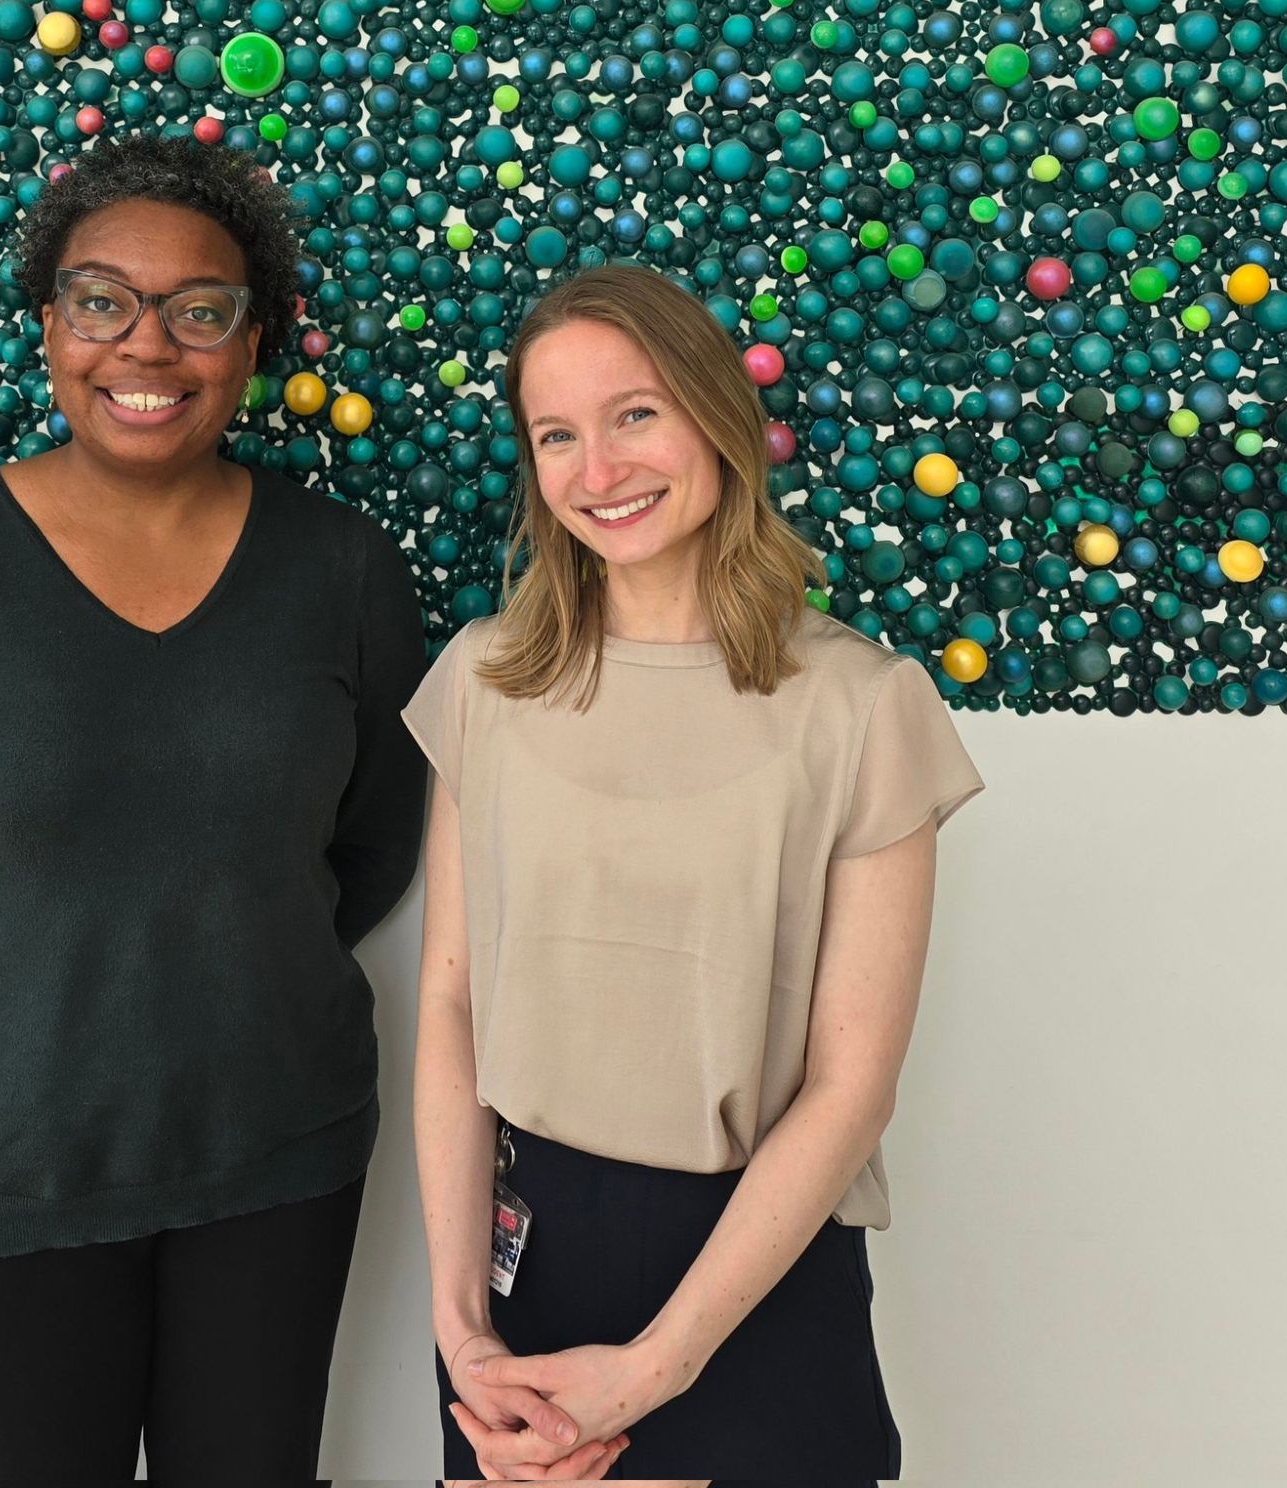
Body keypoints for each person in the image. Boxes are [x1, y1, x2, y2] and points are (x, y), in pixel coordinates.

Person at [0, 131, 430, 1483]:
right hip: (4, 1183)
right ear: (50, 325)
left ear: (256, 341)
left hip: (281, 1157)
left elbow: (378, 840)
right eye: (100, 300)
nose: (146, 347)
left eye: (200, 310)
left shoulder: (340, 568)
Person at [402, 263, 986, 1486]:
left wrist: (657, 1362)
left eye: (635, 413)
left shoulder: (861, 705)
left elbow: (849, 1086)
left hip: (753, 1277)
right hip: (522, 1280)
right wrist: (462, 1333)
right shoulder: (485, 681)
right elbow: (450, 1007)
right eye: (556, 433)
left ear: (718, 417)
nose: (597, 470)